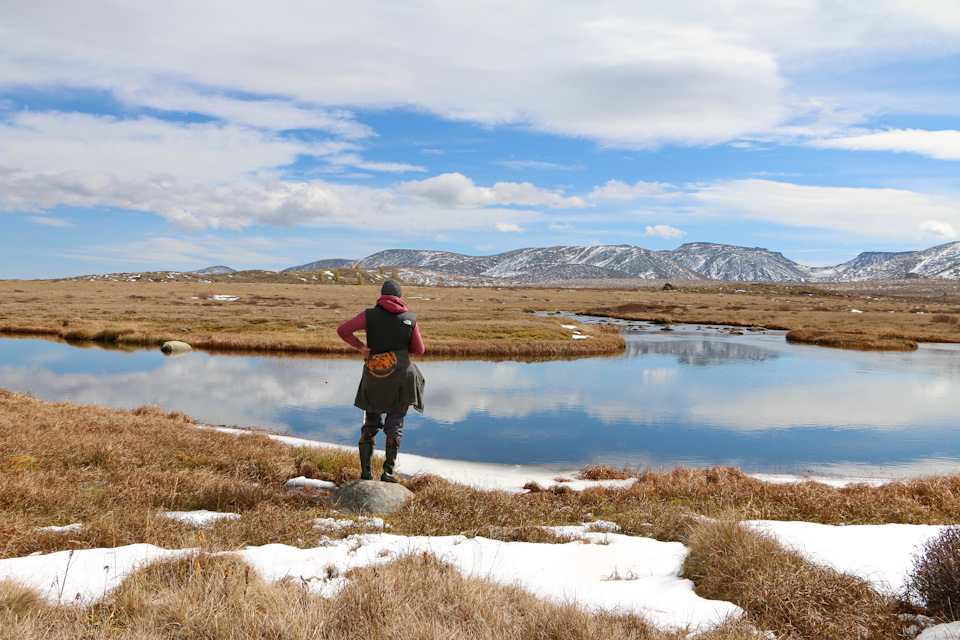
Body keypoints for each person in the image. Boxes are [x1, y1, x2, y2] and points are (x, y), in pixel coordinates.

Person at [336, 279, 424, 482]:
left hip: (375, 376)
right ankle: (388, 472)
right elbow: (419, 350)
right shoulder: (410, 319)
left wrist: (361, 347)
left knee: (371, 422)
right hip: (401, 377)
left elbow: (343, 330)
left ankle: (366, 473)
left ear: (382, 295)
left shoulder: (369, 315)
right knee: (395, 424)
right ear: (399, 296)